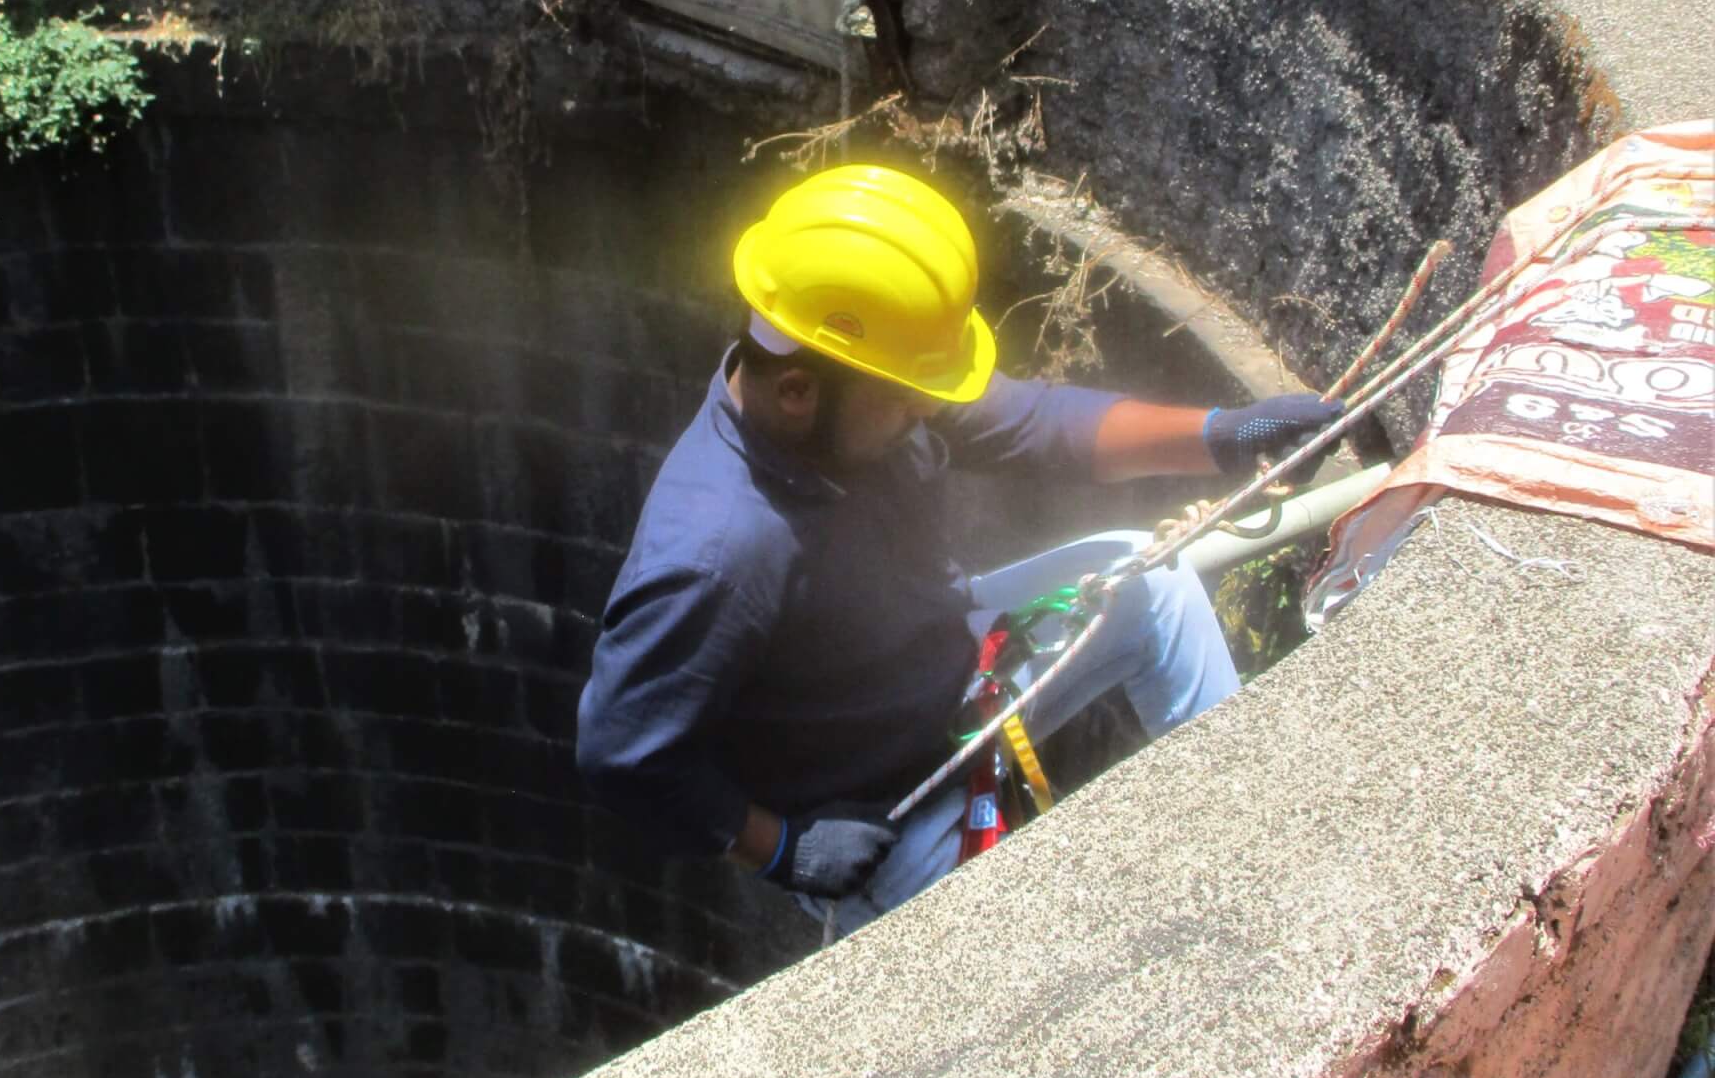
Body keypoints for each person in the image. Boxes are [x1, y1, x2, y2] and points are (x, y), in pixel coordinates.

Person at [574, 164, 1339, 937]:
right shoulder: (718, 553)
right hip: (887, 826)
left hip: (948, 664)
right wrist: (784, 852)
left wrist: (1222, 436)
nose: (926, 408)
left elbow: (1035, 425)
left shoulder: (849, 391)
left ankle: (1256, 845)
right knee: (1021, 976)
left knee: (1154, 582)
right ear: (799, 391)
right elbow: (624, 752)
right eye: (907, 396)